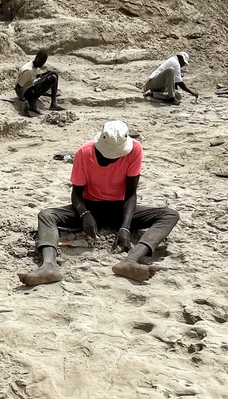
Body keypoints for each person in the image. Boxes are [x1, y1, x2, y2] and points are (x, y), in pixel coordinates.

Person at [18, 121, 179, 286]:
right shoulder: (84, 152)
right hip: (90, 207)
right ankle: (49, 266)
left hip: (120, 209)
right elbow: (76, 194)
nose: (111, 160)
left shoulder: (135, 150)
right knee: (47, 215)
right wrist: (84, 214)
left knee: (169, 215)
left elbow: (131, 194)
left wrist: (125, 227)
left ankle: (131, 260)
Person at [15, 49, 63, 117]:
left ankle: (53, 104)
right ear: (37, 58)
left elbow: (34, 76)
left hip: (30, 86)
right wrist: (23, 99)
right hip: (28, 93)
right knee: (53, 78)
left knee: (53, 73)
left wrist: (43, 75)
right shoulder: (28, 71)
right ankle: (32, 101)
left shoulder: (33, 64)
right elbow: (17, 87)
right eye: (42, 62)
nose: (42, 64)